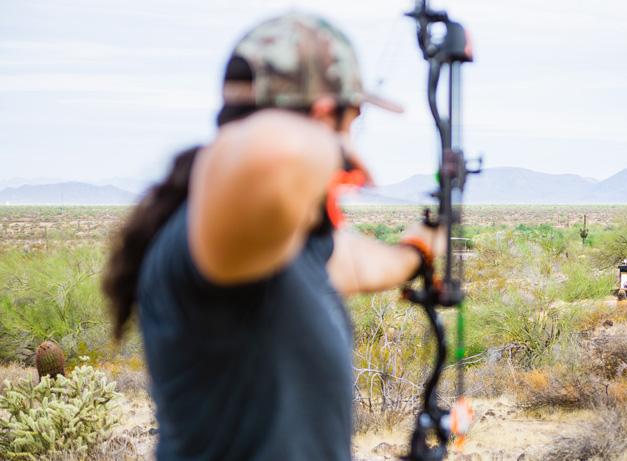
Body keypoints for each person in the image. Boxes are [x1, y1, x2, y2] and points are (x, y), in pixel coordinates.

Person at [103, 12, 442, 461]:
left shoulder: (283, 246)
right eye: (350, 117)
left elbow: (357, 262)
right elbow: (274, 155)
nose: (351, 136)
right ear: (323, 113)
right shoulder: (219, 234)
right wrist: (332, 145)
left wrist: (417, 250)